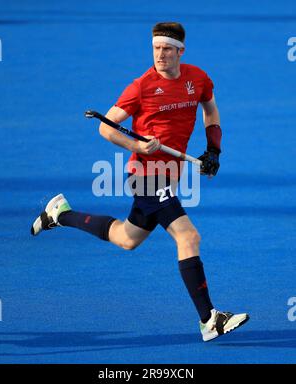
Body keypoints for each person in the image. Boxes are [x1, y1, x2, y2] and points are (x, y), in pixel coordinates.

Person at [31, 22, 249, 341]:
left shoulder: (197, 79)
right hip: (146, 176)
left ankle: (60, 214)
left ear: (180, 52)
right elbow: (106, 128)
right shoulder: (141, 87)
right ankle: (209, 320)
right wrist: (136, 145)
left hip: (170, 176)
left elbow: (211, 111)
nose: (160, 55)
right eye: (155, 49)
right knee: (189, 237)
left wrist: (214, 150)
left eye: (166, 49)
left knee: (126, 238)